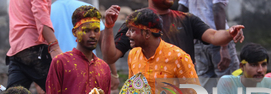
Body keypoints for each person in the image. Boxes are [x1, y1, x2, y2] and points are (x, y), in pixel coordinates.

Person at [0, 0, 63, 94]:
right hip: (34, 48)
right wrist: (54, 45)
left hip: (18, 49)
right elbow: (40, 12)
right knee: (65, 93)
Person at [102, 2, 244, 66]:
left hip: (181, 92)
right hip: (148, 93)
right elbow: (110, 57)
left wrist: (229, 33)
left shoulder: (186, 19)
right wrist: (108, 27)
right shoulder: (136, 21)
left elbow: (213, 36)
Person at [178, 0, 239, 94]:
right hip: (216, 39)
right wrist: (224, 46)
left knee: (206, 93)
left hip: (198, 42)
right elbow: (218, 8)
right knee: (231, 89)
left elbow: (182, 10)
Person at [50, 0, 120, 90]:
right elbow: (104, 41)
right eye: (87, 31)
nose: (92, 35)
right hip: (85, 66)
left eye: (95, 30)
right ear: (74, 32)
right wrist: (114, 73)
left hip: (61, 68)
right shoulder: (87, 8)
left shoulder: (49, 11)